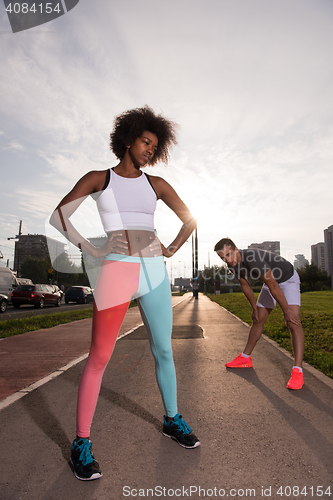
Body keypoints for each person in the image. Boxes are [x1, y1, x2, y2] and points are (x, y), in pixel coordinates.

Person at [50, 106, 200, 481]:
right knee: (100, 356)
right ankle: (81, 442)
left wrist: (171, 249)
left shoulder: (157, 185)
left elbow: (189, 219)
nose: (150, 149)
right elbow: (60, 215)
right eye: (145, 142)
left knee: (163, 348)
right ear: (128, 139)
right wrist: (91, 247)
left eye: (155, 145)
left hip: (153, 270)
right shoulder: (100, 178)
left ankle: (171, 419)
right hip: (116, 269)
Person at [214, 237, 305, 391]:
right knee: (258, 320)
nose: (227, 260)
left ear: (236, 249)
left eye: (229, 255)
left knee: (292, 322)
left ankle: (298, 371)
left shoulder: (252, 259)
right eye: (223, 258)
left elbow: (274, 285)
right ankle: (245, 358)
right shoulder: (233, 264)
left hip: (287, 279)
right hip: (272, 283)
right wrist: (254, 308)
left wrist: (287, 311)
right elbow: (245, 284)